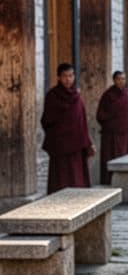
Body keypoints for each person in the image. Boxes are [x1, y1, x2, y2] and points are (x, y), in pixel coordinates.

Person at [40, 63, 95, 193]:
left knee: (77, 178)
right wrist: (58, 136)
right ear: (59, 77)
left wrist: (88, 143)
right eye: (65, 76)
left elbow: (82, 122)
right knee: (61, 179)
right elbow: (46, 121)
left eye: (71, 76)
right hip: (60, 147)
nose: (68, 79)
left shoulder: (77, 97)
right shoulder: (52, 96)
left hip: (77, 146)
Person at [96, 71, 128, 184]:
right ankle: (109, 180)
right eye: (119, 79)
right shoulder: (108, 95)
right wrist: (111, 124)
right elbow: (100, 115)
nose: (121, 81)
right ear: (114, 80)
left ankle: (126, 180)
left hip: (125, 133)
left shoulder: (126, 94)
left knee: (124, 156)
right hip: (111, 134)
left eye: (123, 79)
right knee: (111, 157)